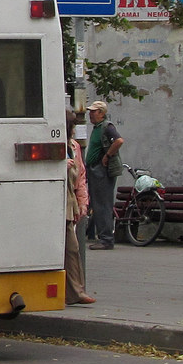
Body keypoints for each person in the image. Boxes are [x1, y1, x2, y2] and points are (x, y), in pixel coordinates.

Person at [83, 100, 124, 250]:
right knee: (97, 203)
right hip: (95, 169)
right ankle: (101, 236)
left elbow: (119, 141)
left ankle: (106, 239)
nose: (90, 114)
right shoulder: (98, 127)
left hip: (102, 171)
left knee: (102, 204)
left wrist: (107, 156)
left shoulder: (107, 127)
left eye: (93, 111)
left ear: (101, 113)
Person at [64, 108, 94, 303]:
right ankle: (75, 292)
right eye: (72, 126)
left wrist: (83, 202)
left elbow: (81, 176)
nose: (74, 130)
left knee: (71, 248)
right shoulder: (55, 145)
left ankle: (75, 292)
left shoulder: (74, 147)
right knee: (71, 248)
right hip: (57, 202)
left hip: (69, 202)